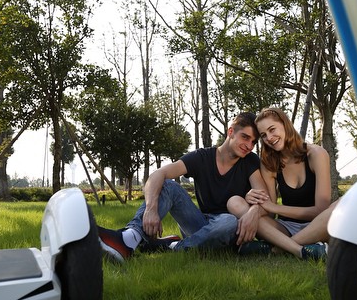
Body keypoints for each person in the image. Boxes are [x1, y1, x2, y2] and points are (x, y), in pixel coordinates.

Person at [98, 112, 268, 263]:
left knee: (229, 221)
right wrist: (151, 208)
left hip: (230, 231)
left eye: (253, 142)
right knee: (169, 185)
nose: (249, 146)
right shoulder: (202, 157)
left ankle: (172, 246)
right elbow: (158, 174)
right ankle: (129, 238)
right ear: (231, 132)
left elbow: (264, 198)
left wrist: (253, 211)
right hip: (199, 225)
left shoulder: (250, 161)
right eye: (245, 137)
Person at [227, 106, 333, 259]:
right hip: (285, 228)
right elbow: (269, 212)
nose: (269, 138)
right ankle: (303, 250)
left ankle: (278, 249)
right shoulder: (269, 163)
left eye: (272, 129)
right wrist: (253, 206)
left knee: (341, 205)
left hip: (319, 224)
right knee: (235, 202)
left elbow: (320, 210)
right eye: (263, 135)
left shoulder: (316, 154)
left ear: (285, 125)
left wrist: (274, 207)